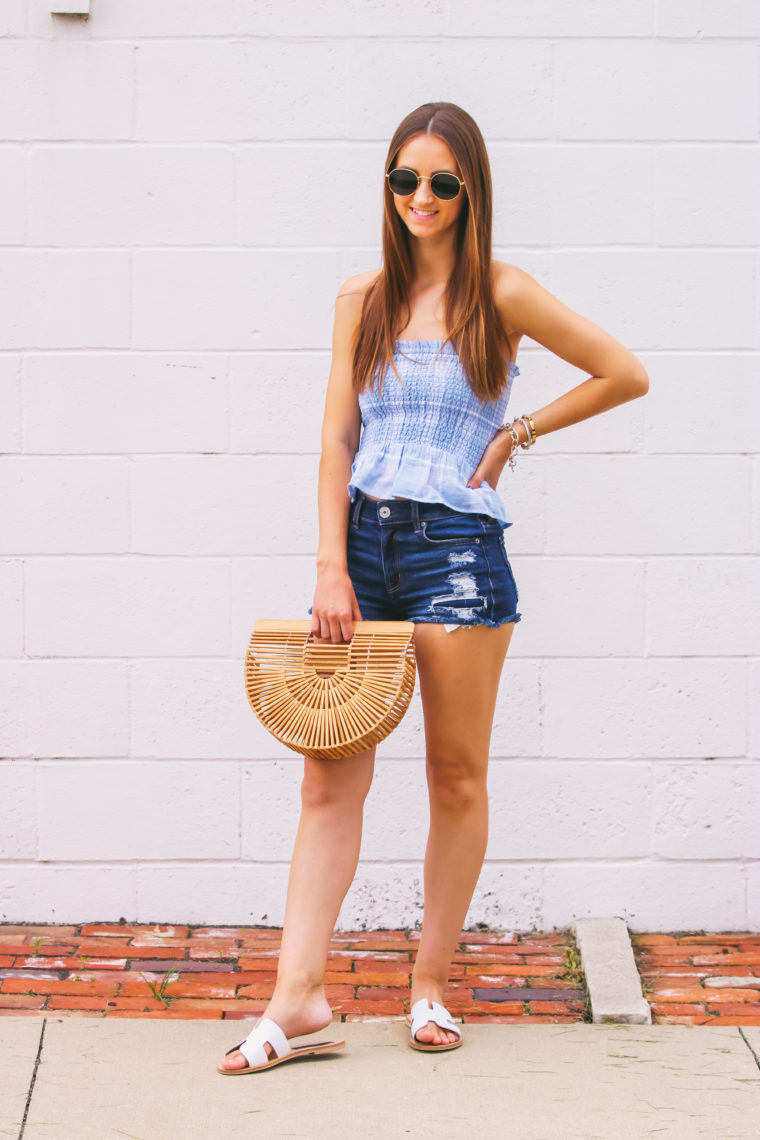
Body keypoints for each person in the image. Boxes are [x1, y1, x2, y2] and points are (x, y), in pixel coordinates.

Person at [218, 101, 649, 1075]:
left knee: (454, 775)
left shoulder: (503, 292)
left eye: (441, 183)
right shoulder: (359, 298)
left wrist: (517, 433)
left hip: (458, 547)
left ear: (470, 193)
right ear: (388, 189)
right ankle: (299, 998)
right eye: (404, 180)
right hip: (363, 548)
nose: (421, 197)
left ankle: (429, 988)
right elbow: (336, 439)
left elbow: (624, 372)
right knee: (326, 770)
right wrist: (329, 562)